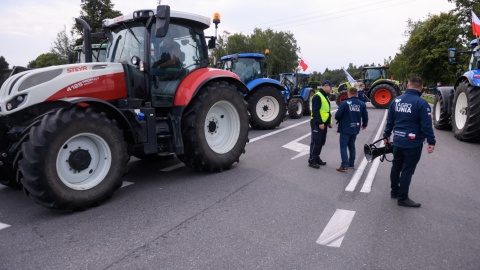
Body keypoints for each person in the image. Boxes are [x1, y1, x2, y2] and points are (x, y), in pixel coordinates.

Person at [383, 76, 436, 208]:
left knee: (396, 166)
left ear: (408, 86)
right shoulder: (421, 103)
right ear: (421, 88)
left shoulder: (396, 101)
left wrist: (386, 135)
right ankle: (403, 198)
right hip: (413, 143)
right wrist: (431, 141)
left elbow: (390, 121)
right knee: (407, 170)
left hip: (398, 140)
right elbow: (426, 126)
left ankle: (394, 191)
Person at [335, 87, 368, 172]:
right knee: (351, 145)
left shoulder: (345, 103)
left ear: (349, 94)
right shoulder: (362, 104)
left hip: (345, 127)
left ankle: (344, 164)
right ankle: (351, 163)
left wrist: (340, 119)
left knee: (343, 146)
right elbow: (365, 116)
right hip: (355, 127)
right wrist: (364, 125)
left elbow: (337, 115)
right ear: (357, 94)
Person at [308, 80, 333, 169]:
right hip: (317, 123)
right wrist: (320, 123)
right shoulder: (318, 96)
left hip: (323, 123)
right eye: (330, 87)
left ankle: (317, 157)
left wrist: (328, 122)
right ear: (325, 86)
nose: (331, 89)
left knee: (321, 142)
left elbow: (326, 111)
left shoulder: (325, 96)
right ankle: (312, 160)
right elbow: (315, 111)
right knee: (316, 142)